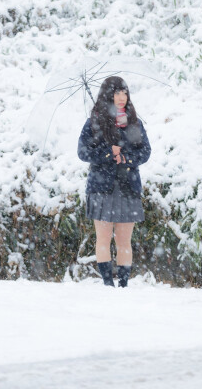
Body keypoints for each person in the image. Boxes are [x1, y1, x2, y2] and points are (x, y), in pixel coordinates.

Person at [77, 76, 151, 288]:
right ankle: (108, 284)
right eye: (117, 93)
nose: (122, 98)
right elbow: (82, 152)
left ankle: (124, 284)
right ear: (108, 95)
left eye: (125, 93)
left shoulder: (134, 123)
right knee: (103, 238)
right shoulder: (94, 122)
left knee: (124, 240)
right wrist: (108, 153)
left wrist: (126, 157)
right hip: (102, 187)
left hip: (128, 186)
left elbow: (145, 152)